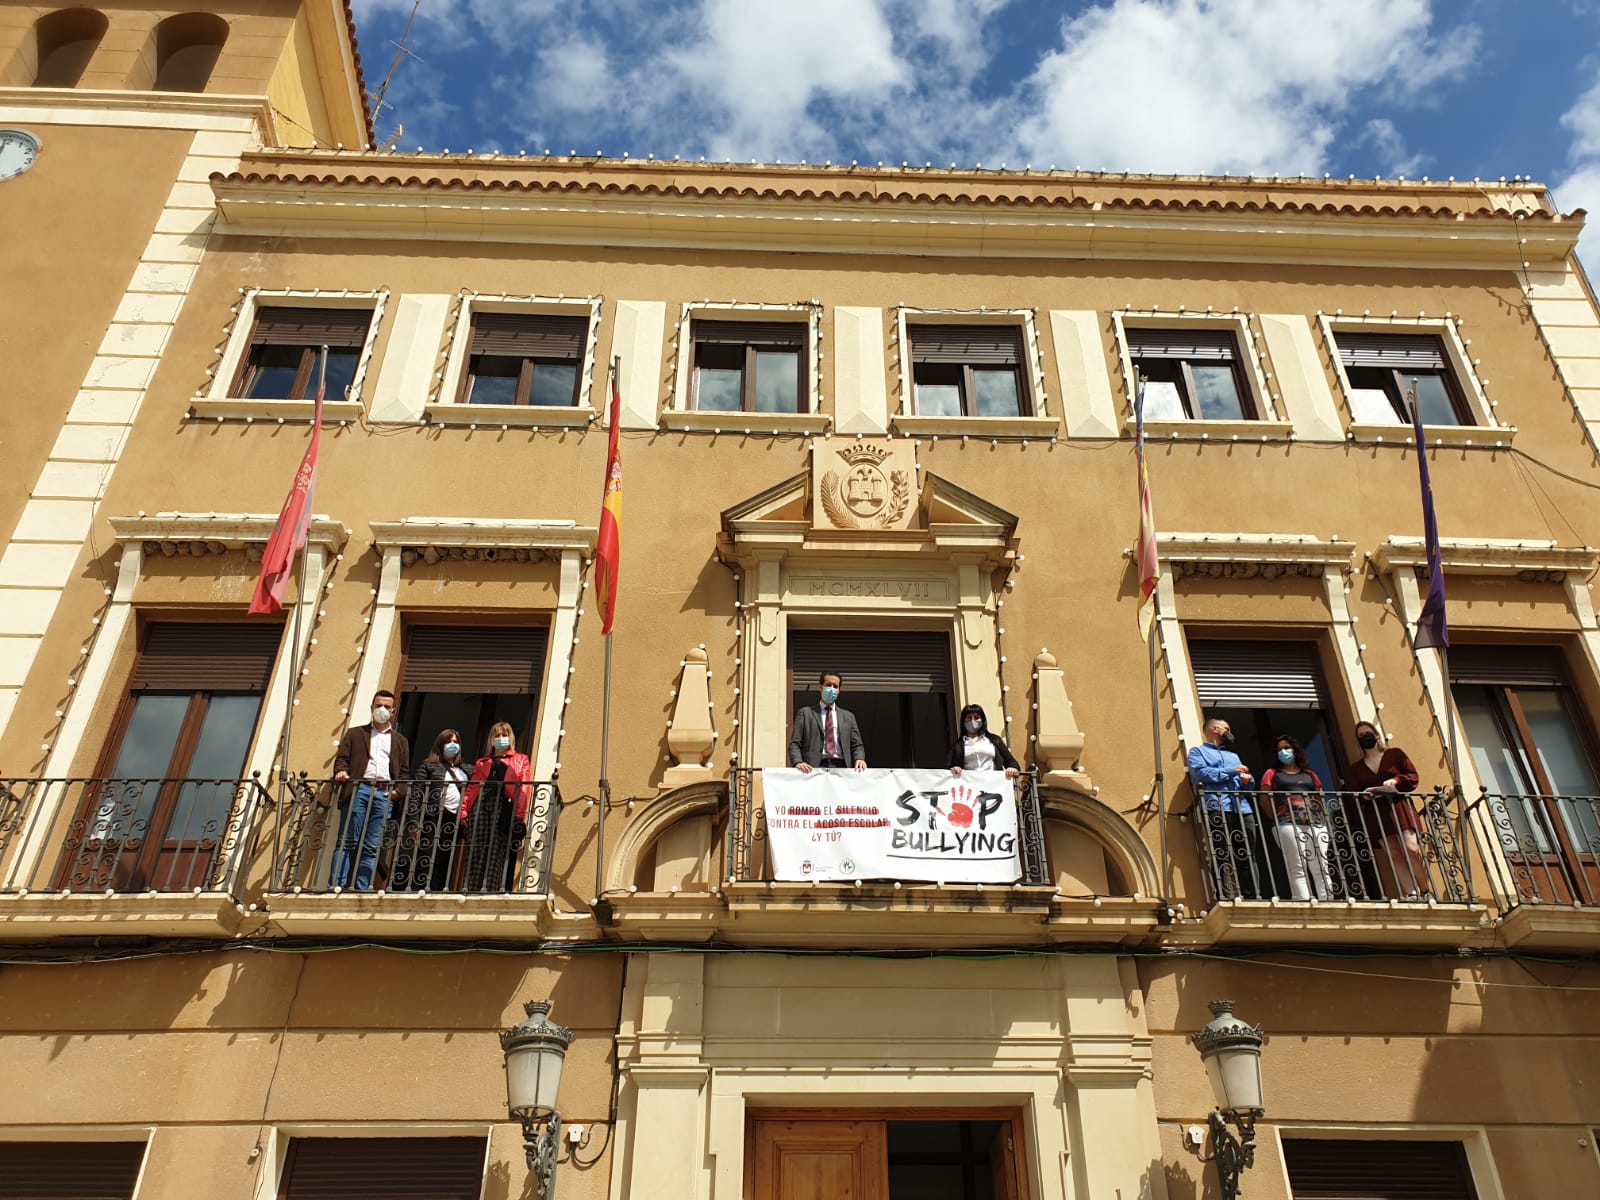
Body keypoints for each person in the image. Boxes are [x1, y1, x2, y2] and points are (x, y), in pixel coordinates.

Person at [330, 689, 411, 891]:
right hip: (359, 789)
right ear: (372, 708)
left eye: (386, 706)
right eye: (378, 705)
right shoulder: (356, 733)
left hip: (384, 794)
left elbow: (404, 771)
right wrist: (340, 771)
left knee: (372, 846)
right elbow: (342, 758)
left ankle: (361, 888)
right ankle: (335, 887)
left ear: (393, 711)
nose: (382, 709)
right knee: (347, 841)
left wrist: (397, 793)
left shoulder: (400, 741)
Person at [1186, 716, 1270, 900]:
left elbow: (1247, 784)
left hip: (1242, 808)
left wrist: (1248, 780)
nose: (1230, 733)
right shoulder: (1197, 752)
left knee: (1247, 853)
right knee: (1220, 852)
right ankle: (1224, 895)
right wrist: (1231, 772)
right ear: (1215, 729)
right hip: (1216, 806)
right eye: (1227, 728)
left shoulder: (1234, 756)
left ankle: (1252, 896)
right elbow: (1201, 773)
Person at [1346, 720, 1428, 899]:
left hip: (1399, 807)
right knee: (1395, 855)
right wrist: (1365, 795)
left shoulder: (1395, 754)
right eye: (1360, 736)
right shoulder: (1356, 768)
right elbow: (1356, 792)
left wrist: (1396, 780)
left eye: (1368, 733)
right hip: (1377, 814)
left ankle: (1425, 890)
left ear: (1376, 735)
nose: (1364, 737)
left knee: (1411, 849)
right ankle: (1412, 895)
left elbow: (1413, 777)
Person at [1260, 733, 1334, 901]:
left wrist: (1320, 815)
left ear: (1295, 750)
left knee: (1321, 866)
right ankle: (1305, 902)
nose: (1283, 752)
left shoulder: (1309, 774)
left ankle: (1328, 902)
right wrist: (1277, 818)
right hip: (1287, 824)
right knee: (1297, 866)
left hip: (1315, 824)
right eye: (1279, 749)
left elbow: (1319, 795)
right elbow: (1264, 798)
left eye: (1286, 748)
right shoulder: (1272, 773)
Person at [459, 721, 531, 893]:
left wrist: (519, 814)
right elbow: (471, 787)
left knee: (496, 846)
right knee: (476, 845)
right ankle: (470, 888)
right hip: (481, 802)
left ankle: (489, 888)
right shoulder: (482, 762)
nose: (500, 738)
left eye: (504, 735)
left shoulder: (520, 760)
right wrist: (463, 810)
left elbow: (524, 786)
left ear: (510, 737)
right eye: (497, 735)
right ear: (491, 739)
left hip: (503, 803)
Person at [393, 729, 468, 892]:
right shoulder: (429, 765)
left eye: (456, 742)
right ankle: (421, 891)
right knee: (427, 858)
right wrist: (414, 822)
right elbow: (416, 794)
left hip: (456, 820)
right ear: (440, 745)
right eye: (449, 742)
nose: (453, 745)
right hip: (434, 817)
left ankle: (439, 892)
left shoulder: (467, 769)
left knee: (446, 860)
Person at [789, 671, 867, 772]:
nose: (832, 689)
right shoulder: (805, 713)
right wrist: (798, 761)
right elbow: (795, 743)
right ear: (820, 687)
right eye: (828, 685)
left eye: (835, 686)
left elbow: (857, 745)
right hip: (813, 769)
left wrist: (859, 758)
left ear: (839, 690)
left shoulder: (848, 717)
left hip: (842, 768)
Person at [947, 703, 1021, 778]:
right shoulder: (956, 746)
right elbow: (947, 768)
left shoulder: (995, 740)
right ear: (963, 722)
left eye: (976, 718)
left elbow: (1011, 762)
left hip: (993, 783)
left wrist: (1012, 768)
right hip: (970, 784)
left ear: (982, 720)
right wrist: (954, 768)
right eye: (969, 718)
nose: (973, 721)